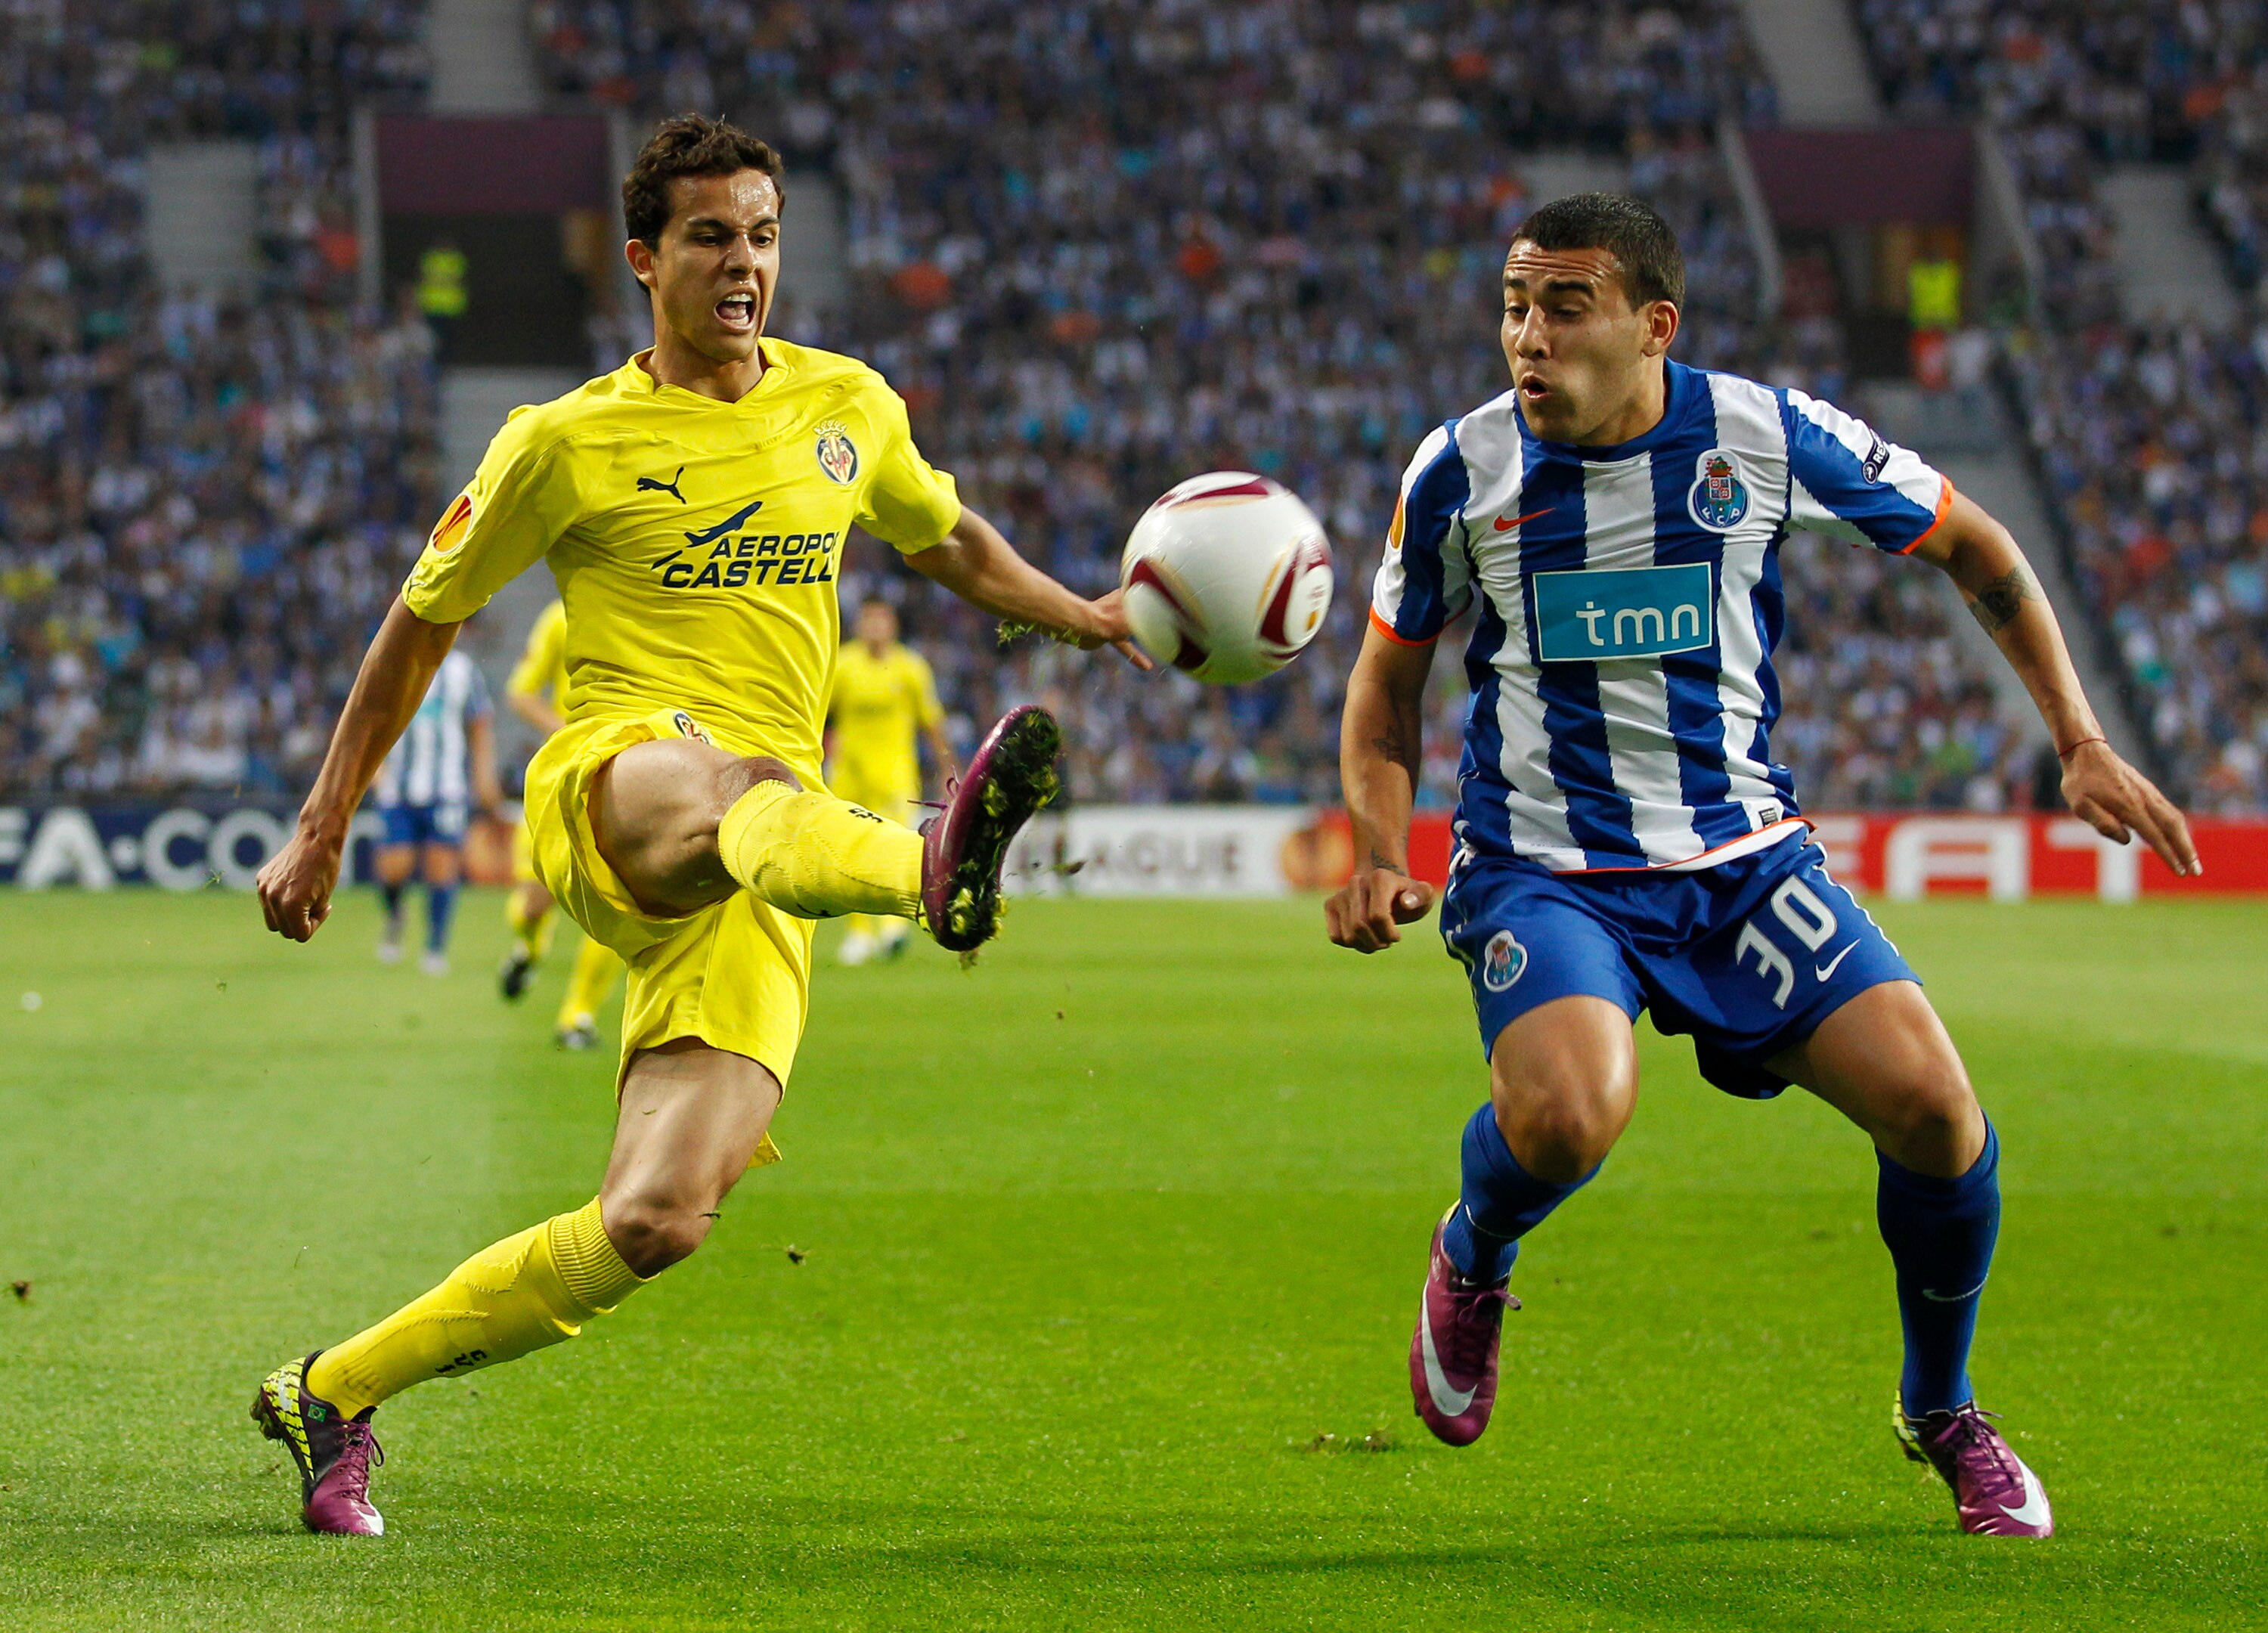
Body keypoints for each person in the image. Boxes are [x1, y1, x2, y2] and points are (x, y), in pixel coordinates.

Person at [248, 114, 1144, 1536]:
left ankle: (333, 1392)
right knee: (733, 785)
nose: (745, 264)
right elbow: (424, 623)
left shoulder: (850, 404)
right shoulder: (565, 441)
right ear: (644, 261)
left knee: (656, 1220)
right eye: (714, 237)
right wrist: (323, 822)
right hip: (622, 783)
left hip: (767, 863)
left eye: (766, 235)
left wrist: (1083, 613)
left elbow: (945, 539)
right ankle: (929, 861)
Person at [1327, 194, 2198, 1540]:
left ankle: (1941, 1407)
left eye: (1566, 307)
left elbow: (1978, 543)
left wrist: (2078, 740)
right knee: (1568, 1120)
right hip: (1547, 866)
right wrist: (1380, 853)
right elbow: (1386, 689)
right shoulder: (1462, 470)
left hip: (1740, 860)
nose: (1527, 338)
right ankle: (1475, 1251)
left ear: (1652, 326)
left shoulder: (1763, 436)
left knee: (1937, 1115)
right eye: (1514, 305)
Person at [497, 596, 627, 1048]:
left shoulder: (646, 608)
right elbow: (520, 692)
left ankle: (578, 1016)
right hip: (563, 773)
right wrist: (564, 732)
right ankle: (529, 948)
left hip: (625, 774)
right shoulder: (558, 617)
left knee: (619, 899)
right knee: (535, 903)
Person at [826, 598, 956, 965]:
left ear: (893, 626)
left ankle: (893, 928)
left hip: (896, 778)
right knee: (851, 854)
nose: (875, 628)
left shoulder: (911, 668)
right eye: (868, 621)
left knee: (896, 851)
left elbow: (932, 723)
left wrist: (949, 769)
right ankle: (860, 934)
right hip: (849, 776)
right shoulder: (842, 666)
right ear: (859, 626)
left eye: (881, 621)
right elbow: (820, 716)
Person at [370, 645, 500, 976]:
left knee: (441, 868)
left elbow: (479, 724)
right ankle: (396, 916)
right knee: (394, 867)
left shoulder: (463, 670)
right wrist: (374, 769)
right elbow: (371, 718)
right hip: (397, 787)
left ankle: (435, 946)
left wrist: (484, 775)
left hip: (447, 788)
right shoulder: (393, 662)